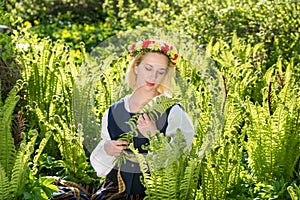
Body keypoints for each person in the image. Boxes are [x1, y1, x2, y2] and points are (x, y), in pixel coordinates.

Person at [90, 39, 194, 200]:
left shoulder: (173, 112)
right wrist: (107, 149)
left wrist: (155, 137)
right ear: (136, 68)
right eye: (148, 68)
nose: (153, 76)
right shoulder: (113, 111)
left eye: (161, 71)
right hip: (113, 193)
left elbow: (182, 164)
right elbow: (99, 169)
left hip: (156, 194)